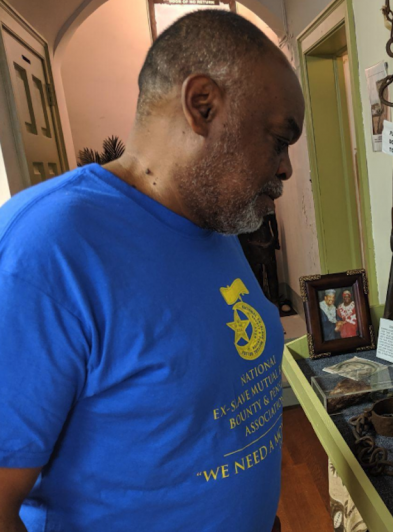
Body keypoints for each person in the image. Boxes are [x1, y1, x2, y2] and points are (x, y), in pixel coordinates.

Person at [0, 11, 304, 532]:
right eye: (279, 139)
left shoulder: (213, 224)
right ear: (202, 105)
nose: (285, 169)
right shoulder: (48, 249)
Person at [239, 213, 281, 306]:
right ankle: (273, 300)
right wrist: (276, 241)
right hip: (265, 242)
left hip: (254, 243)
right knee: (270, 273)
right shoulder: (266, 203)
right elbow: (274, 224)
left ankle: (263, 300)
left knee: (260, 274)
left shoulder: (248, 206)